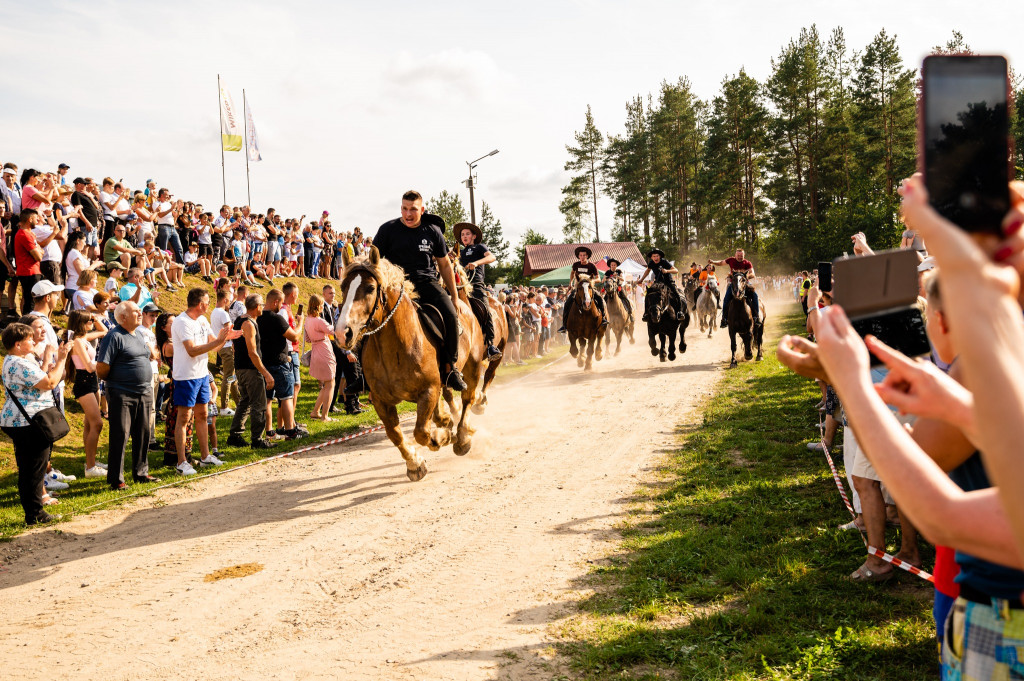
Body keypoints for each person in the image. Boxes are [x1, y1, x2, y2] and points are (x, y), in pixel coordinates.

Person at [371, 191, 468, 391]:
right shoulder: (387, 230)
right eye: (405, 209)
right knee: (369, 316)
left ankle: (450, 368)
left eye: (413, 209)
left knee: (450, 314)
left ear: (422, 210)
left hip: (426, 283)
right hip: (396, 287)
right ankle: (364, 374)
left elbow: (445, 266)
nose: (408, 213)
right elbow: (373, 261)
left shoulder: (432, 230)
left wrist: (455, 297)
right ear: (401, 209)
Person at [1, 322, 70, 525]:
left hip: (21, 420)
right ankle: (35, 514)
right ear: (18, 344)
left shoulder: (16, 360)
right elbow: (49, 383)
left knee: (29, 467)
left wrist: (49, 364)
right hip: (29, 420)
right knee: (34, 468)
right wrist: (62, 360)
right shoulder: (19, 363)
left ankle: (33, 512)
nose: (33, 341)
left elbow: (40, 379)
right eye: (29, 339)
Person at [170, 288, 242, 474]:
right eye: (207, 302)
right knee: (184, 418)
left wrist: (225, 338)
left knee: (203, 416)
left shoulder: (202, 320)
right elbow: (192, 350)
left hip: (202, 374)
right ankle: (181, 462)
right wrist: (219, 340)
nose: (209, 305)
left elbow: (213, 341)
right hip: (186, 376)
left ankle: (205, 457)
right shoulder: (181, 322)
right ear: (200, 304)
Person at [96, 301, 158, 490]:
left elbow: (148, 356)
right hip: (122, 393)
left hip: (144, 392)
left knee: (143, 433)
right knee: (120, 435)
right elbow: (101, 368)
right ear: (122, 317)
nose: (141, 313)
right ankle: (116, 479)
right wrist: (118, 382)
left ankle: (141, 472)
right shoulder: (114, 337)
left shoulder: (138, 333)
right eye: (136, 311)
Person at [226, 294, 275, 449]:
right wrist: (266, 373)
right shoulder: (248, 324)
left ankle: (235, 435)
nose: (263, 307)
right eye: (262, 304)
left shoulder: (239, 320)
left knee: (245, 402)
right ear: (256, 307)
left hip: (240, 367)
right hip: (250, 369)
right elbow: (252, 352)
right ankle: (257, 439)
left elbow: (235, 346)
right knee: (258, 404)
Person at [258, 288, 306, 440]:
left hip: (263, 364)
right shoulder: (276, 318)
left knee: (267, 399)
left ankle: (269, 431)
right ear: (275, 302)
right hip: (279, 363)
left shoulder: (256, 318)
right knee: (286, 397)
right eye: (280, 303)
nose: (281, 307)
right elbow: (294, 337)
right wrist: (301, 322)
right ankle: (291, 431)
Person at [67, 310, 108, 478]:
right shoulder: (77, 341)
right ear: (80, 323)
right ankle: (90, 468)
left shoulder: (84, 338)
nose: (91, 324)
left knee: (89, 425)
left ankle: (90, 461)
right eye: (88, 321)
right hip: (84, 382)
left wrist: (95, 317)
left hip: (92, 382)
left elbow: (104, 331)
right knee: (97, 424)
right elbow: (89, 367)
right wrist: (106, 364)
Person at [454, 222, 502, 360]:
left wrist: (476, 263)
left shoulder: (480, 247)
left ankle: (491, 345)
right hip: (460, 287)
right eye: (462, 235)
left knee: (485, 310)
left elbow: (492, 257)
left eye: (467, 234)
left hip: (476, 284)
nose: (464, 236)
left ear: (474, 236)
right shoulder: (460, 253)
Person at [557, 246, 610, 332]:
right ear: (578, 256)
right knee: (567, 302)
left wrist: (590, 281)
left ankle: (603, 318)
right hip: (578, 289)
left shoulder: (592, 266)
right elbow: (572, 273)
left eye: (584, 255)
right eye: (580, 255)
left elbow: (599, 279)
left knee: (600, 299)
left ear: (587, 256)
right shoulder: (576, 265)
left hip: (589, 289)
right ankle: (564, 325)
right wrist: (570, 283)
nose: (582, 257)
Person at [304, 294, 337, 420]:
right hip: (324, 350)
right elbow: (333, 331)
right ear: (318, 306)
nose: (323, 307)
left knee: (326, 384)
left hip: (315, 349)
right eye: (322, 305)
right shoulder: (319, 321)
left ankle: (316, 411)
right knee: (330, 384)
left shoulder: (308, 320)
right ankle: (325, 415)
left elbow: (307, 338)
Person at [709, 248, 760, 328]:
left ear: (744, 255)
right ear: (735, 255)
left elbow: (753, 274)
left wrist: (746, 276)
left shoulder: (747, 263)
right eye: (738, 255)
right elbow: (721, 263)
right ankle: (724, 319)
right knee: (726, 298)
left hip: (744, 283)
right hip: (734, 284)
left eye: (741, 256)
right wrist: (713, 262)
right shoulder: (731, 260)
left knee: (755, 296)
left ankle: (756, 317)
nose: (740, 257)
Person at [13, 209, 50, 315]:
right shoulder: (24, 235)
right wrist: (40, 251)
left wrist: (39, 250)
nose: (38, 220)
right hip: (29, 272)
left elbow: (39, 250)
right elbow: (38, 256)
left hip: (31, 271)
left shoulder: (29, 234)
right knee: (31, 301)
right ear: (30, 219)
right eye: (35, 218)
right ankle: (28, 325)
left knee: (31, 300)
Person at [210, 288, 239, 415]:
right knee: (228, 376)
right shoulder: (223, 313)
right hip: (226, 347)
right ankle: (224, 407)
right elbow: (229, 332)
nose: (230, 303)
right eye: (230, 301)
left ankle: (239, 403)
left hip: (221, 347)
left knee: (232, 376)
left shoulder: (214, 312)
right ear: (225, 300)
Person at [638, 249, 685, 322]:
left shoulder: (664, 262)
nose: (655, 258)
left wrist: (667, 271)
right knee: (648, 294)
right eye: (654, 256)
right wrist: (641, 280)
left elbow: (676, 270)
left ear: (659, 256)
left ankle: (679, 312)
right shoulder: (651, 263)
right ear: (652, 257)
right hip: (658, 282)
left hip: (668, 282)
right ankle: (646, 313)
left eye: (657, 256)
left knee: (676, 294)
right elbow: (647, 271)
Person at [602, 258, 634, 322]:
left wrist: (617, 276)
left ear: (616, 266)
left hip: (618, 288)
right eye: (612, 265)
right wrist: (606, 278)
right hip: (609, 289)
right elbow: (602, 281)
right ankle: (603, 316)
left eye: (614, 265)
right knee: (604, 300)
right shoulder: (607, 272)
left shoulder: (619, 271)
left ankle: (630, 314)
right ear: (610, 265)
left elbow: (622, 279)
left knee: (625, 299)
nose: (613, 266)